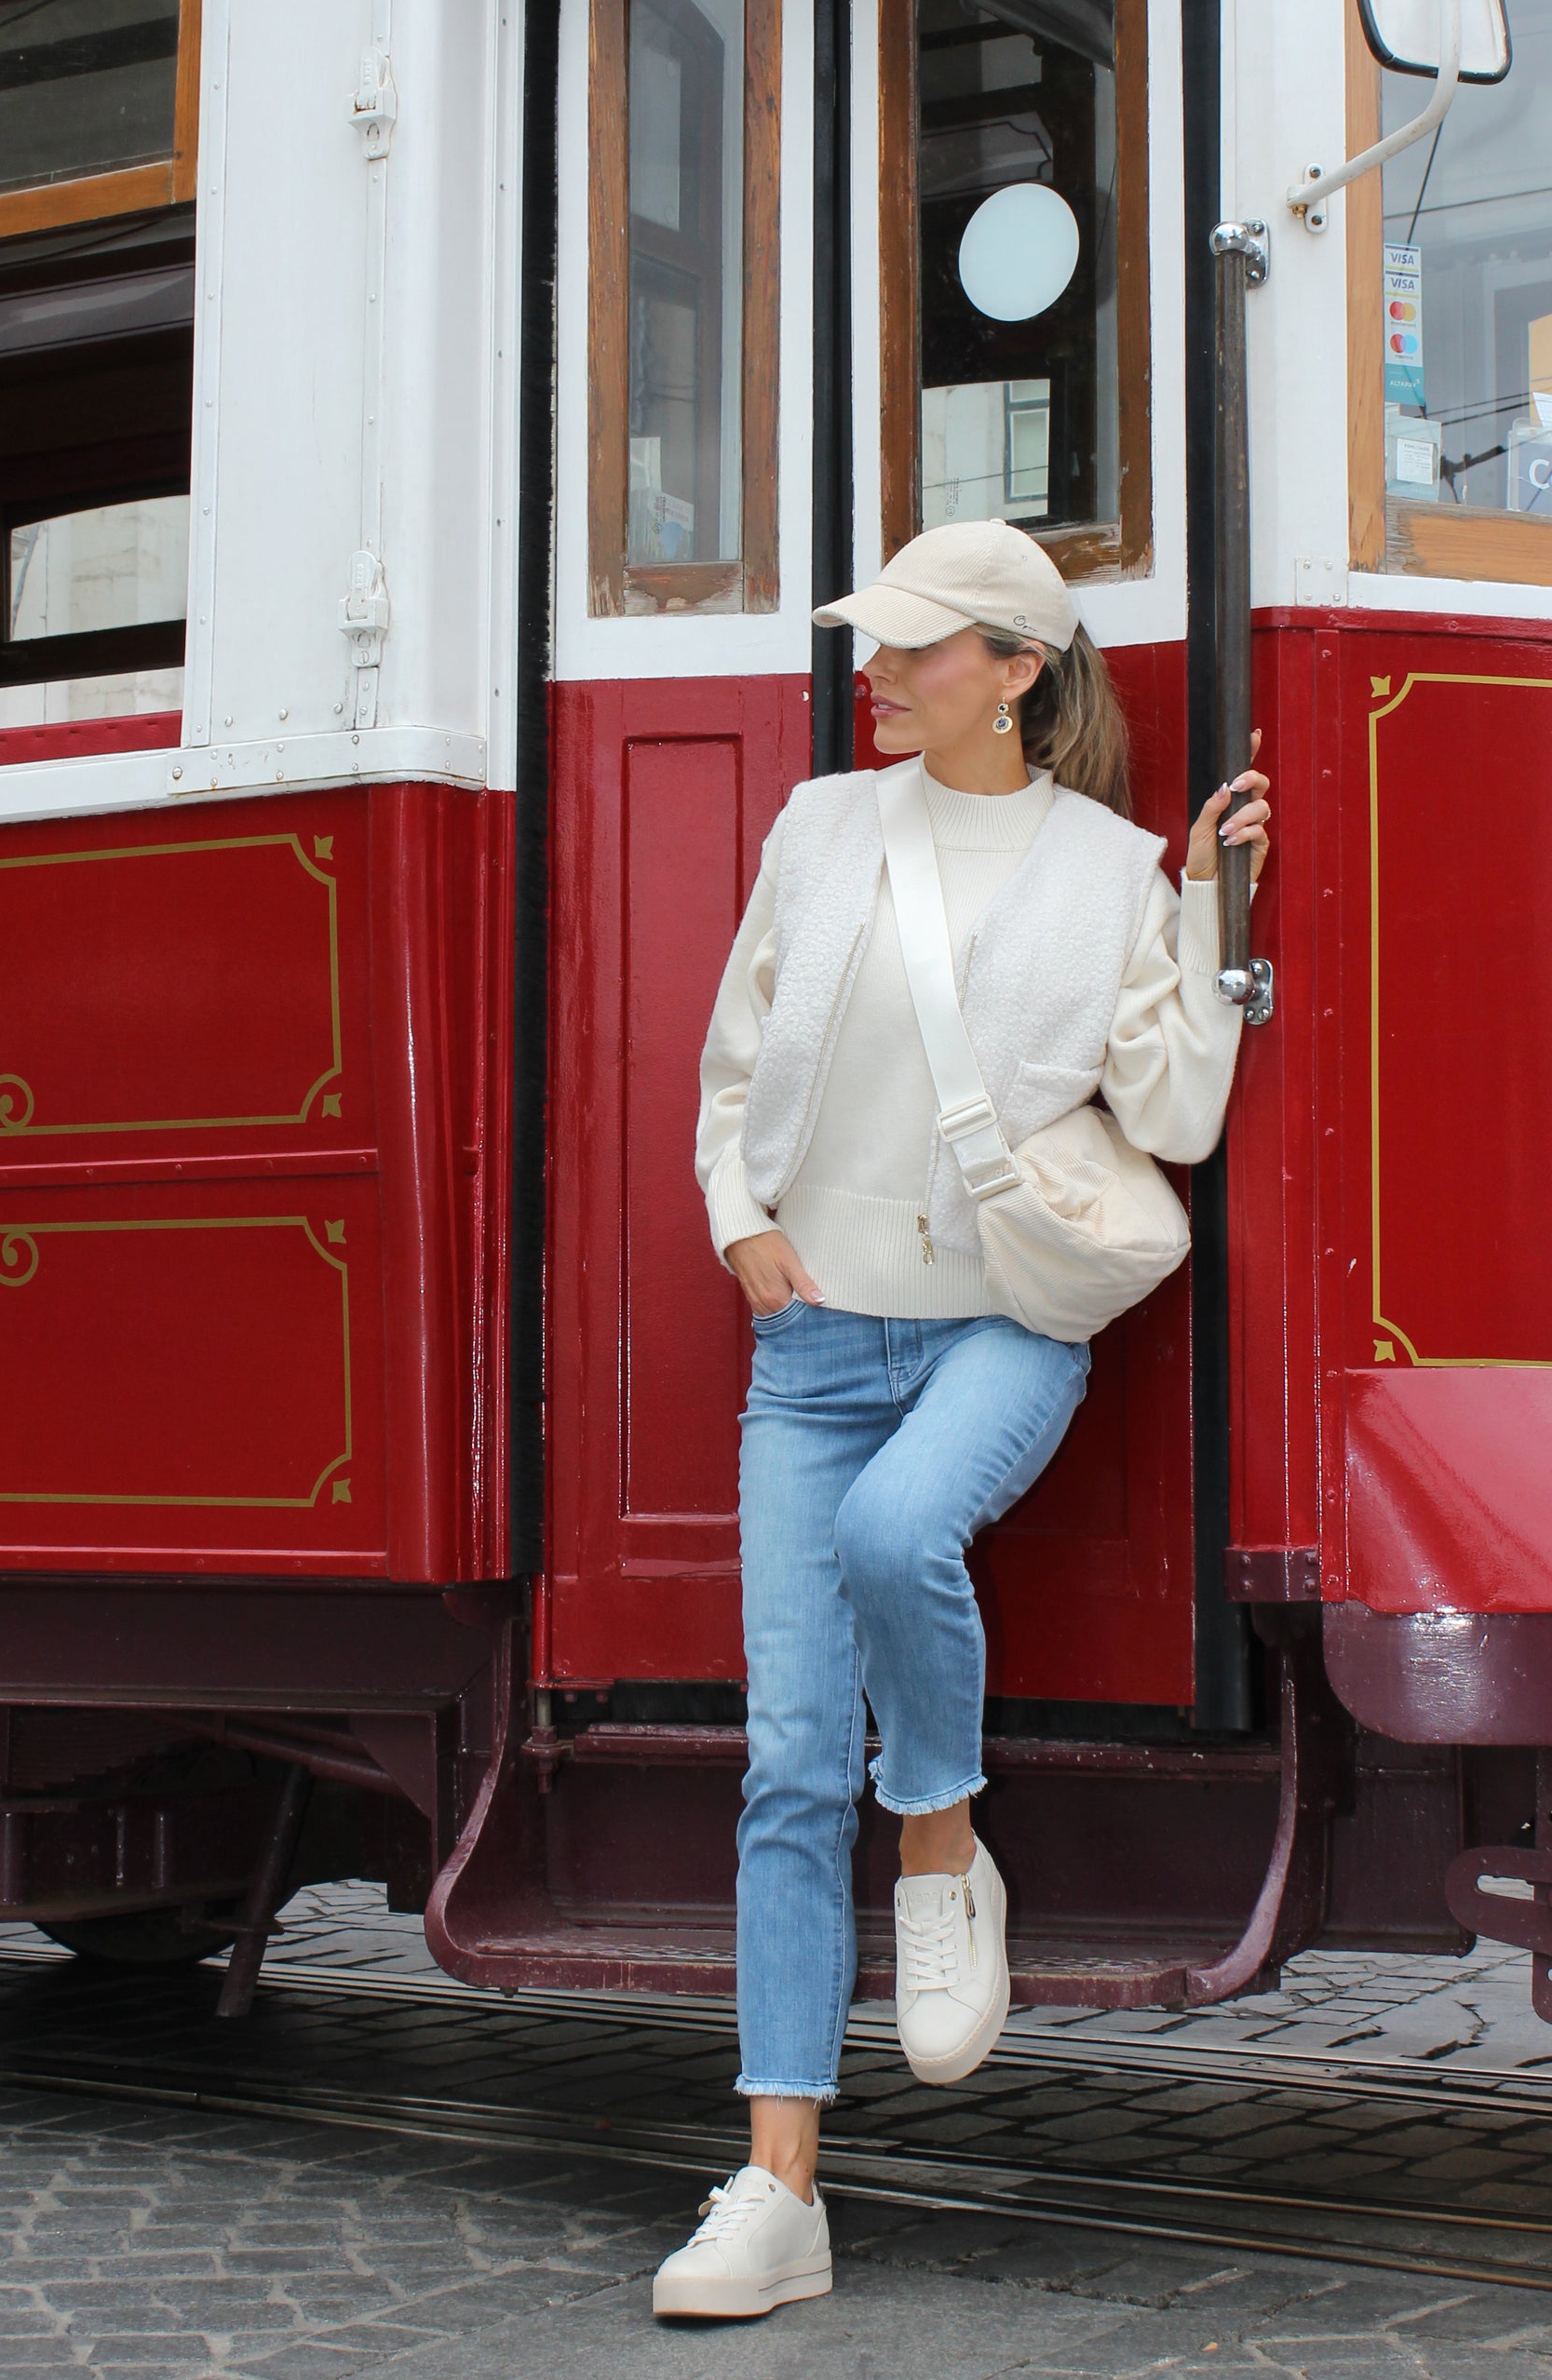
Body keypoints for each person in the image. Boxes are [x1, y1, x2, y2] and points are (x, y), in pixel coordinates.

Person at [652, 520, 1273, 2322]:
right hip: (812, 1342)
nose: (877, 670)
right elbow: (735, 1058)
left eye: (916, 647)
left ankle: (938, 1834)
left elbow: (1172, 1113)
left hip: (1000, 1324)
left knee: (890, 1531)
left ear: (1014, 668)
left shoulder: (1109, 869)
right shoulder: (818, 826)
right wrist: (741, 1224)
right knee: (784, 1763)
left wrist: (1212, 910)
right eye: (877, 643)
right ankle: (776, 2187)